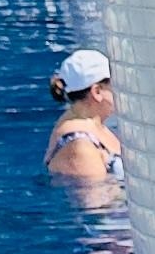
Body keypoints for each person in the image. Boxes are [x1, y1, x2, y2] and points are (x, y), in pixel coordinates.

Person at [42, 46, 123, 203]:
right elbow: (97, 204)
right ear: (97, 92)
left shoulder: (90, 124)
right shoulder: (79, 144)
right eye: (116, 84)